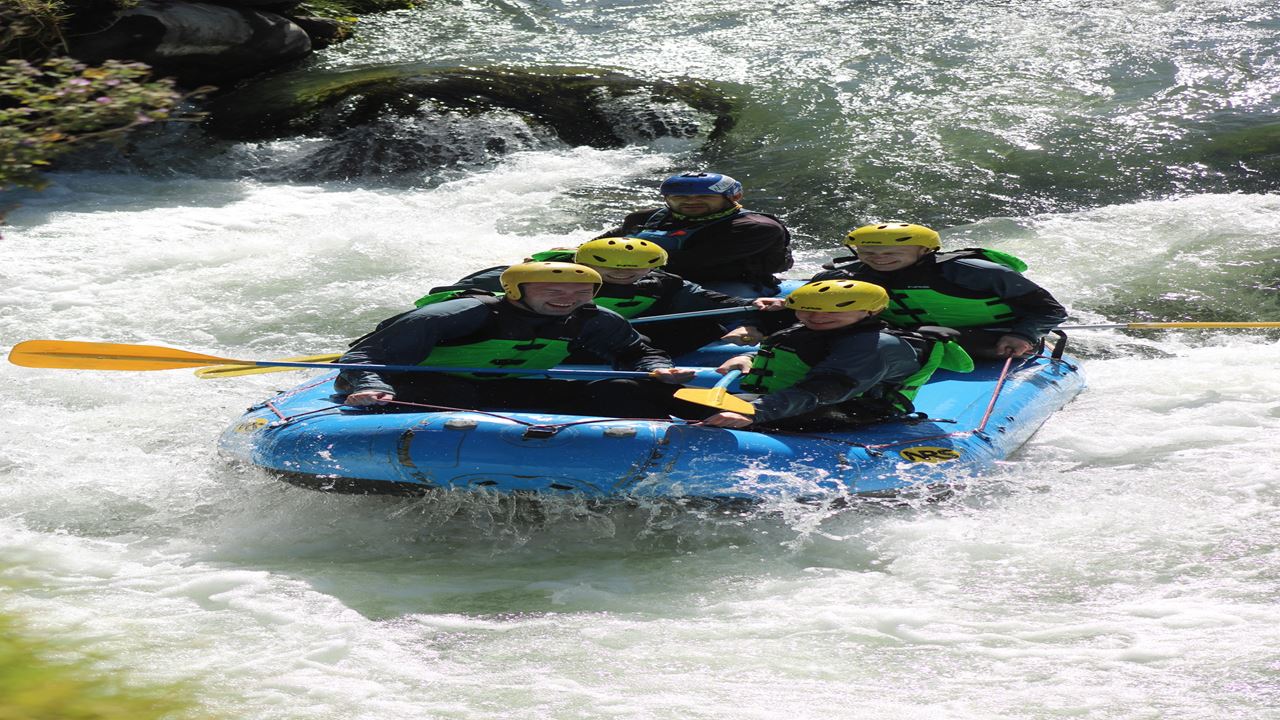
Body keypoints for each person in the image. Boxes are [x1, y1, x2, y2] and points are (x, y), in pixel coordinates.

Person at [337, 262, 693, 417]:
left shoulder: (594, 319)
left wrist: (658, 369)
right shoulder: (461, 314)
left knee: (633, 391)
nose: (566, 299)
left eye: (581, 292)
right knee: (458, 395)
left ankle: (743, 420)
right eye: (549, 291)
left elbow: (637, 352)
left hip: (501, 387)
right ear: (514, 291)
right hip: (415, 386)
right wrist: (370, 385)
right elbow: (363, 356)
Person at [422, 238, 789, 357]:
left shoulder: (661, 283)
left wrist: (752, 316)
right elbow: (442, 297)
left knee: (705, 322)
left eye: (634, 271)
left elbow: (714, 302)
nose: (625, 276)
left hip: (607, 341)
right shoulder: (531, 275)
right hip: (538, 338)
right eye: (614, 270)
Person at [696, 280, 973, 429]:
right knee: (664, 397)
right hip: (806, 400)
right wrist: (749, 359)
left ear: (870, 312)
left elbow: (828, 388)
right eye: (807, 310)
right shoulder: (809, 329)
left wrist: (756, 412)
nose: (816, 317)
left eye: (833, 311)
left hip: (852, 409)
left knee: (718, 414)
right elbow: (796, 359)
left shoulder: (876, 345)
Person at [811, 222, 1068, 360]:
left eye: (892, 253)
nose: (879, 258)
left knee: (909, 342)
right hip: (910, 336)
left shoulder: (973, 271)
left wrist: (1024, 334)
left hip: (991, 338)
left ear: (924, 251)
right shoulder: (850, 275)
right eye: (868, 252)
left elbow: (1050, 309)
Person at [595, 171, 793, 297]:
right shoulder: (644, 218)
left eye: (705, 196)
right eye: (680, 197)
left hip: (728, 284)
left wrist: (618, 275)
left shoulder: (756, 228)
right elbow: (601, 245)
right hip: (643, 276)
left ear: (735, 197)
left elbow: (691, 262)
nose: (691, 202)